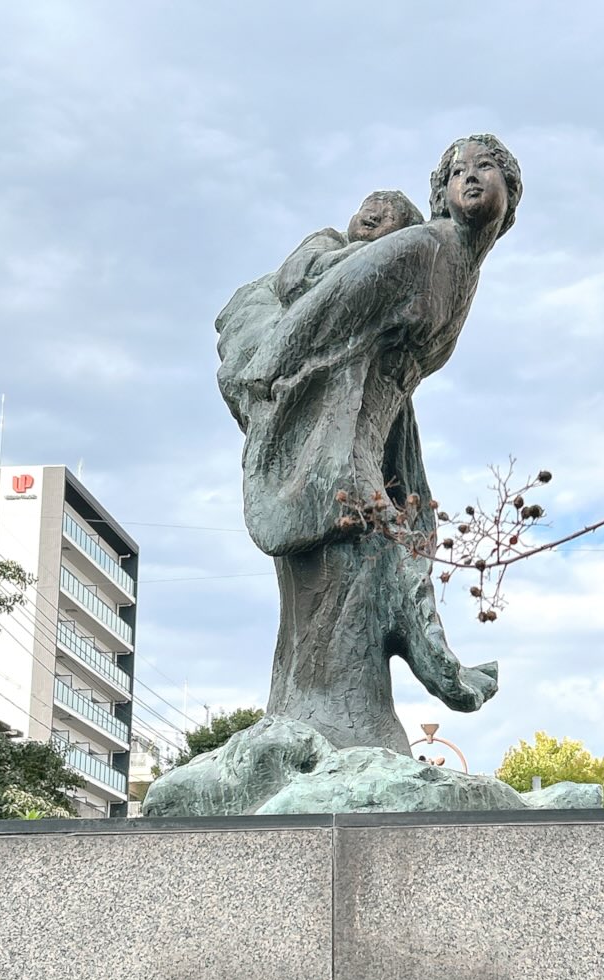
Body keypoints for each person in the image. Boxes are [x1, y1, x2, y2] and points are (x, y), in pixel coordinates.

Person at [219, 136, 522, 754]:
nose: (470, 179)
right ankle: (327, 736)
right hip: (330, 443)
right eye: (457, 171)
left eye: (485, 168)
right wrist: (267, 371)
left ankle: (340, 728)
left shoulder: (460, 268)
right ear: (439, 193)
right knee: (355, 569)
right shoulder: (423, 247)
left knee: (382, 563)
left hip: (370, 441)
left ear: (510, 195)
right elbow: (328, 305)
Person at [216, 190, 422, 429]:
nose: (375, 216)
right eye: (370, 208)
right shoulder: (329, 240)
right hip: (267, 330)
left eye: (388, 216)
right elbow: (292, 282)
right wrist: (360, 254)